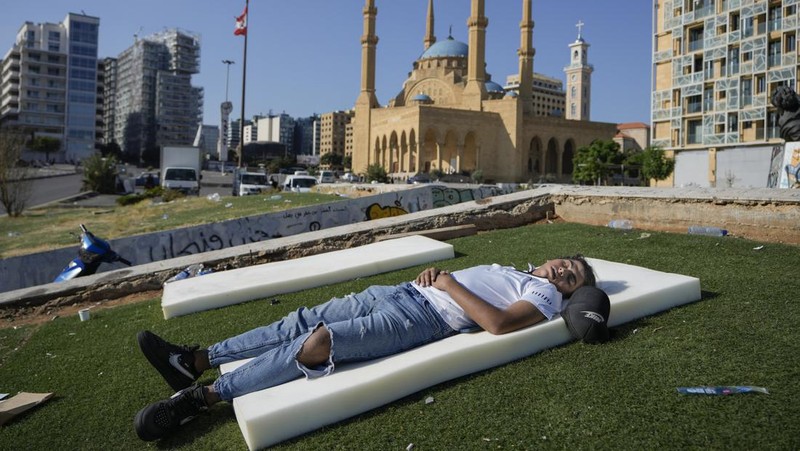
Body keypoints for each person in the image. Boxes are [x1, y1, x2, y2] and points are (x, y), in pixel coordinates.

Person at [134, 255, 596, 441]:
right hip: (402, 293)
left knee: (316, 344)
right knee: (299, 320)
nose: (560, 273)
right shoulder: (521, 269)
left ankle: (202, 397)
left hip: (418, 320)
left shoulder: (545, 297)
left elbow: (496, 323)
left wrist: (450, 281)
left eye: (571, 276)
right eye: (564, 264)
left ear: (571, 291)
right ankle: (193, 360)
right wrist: (435, 277)